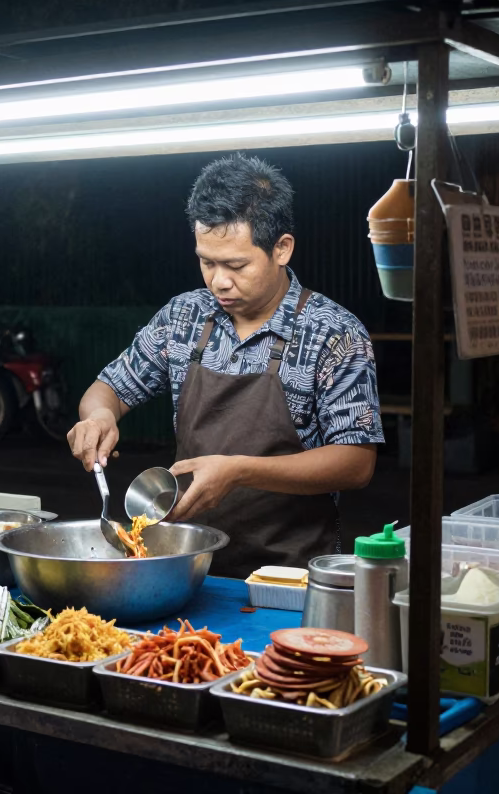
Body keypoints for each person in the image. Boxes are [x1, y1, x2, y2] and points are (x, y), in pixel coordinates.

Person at [67, 153, 384, 577]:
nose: (219, 281)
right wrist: (99, 417)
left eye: (236, 265)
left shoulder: (333, 333)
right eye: (207, 262)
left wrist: (237, 471)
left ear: (282, 248)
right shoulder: (183, 317)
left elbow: (356, 462)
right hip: (190, 566)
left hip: (288, 575)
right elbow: (108, 388)